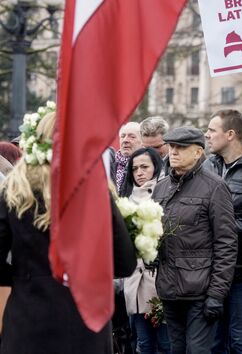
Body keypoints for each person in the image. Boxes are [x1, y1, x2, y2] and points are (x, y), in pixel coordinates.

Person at [0, 111, 137, 353]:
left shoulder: (14, 192)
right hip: (84, 323)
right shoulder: (94, 192)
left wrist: (22, 277)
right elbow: (124, 262)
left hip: (28, 319)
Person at [152, 127, 238, 354]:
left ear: (198, 152)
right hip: (169, 288)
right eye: (171, 147)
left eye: (181, 147)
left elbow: (226, 244)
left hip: (201, 290)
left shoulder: (215, 187)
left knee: (197, 351)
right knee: (176, 349)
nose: (174, 152)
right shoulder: (161, 188)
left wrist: (216, 294)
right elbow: (153, 232)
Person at [203, 110, 242, 354]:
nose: (207, 135)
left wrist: (224, 228)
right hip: (210, 270)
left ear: (231, 134)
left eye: (212, 130)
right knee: (214, 341)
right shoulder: (207, 166)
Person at [120, 147, 170, 354]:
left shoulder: (165, 192)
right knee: (143, 343)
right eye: (135, 168)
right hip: (134, 282)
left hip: (160, 280)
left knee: (165, 343)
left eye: (144, 167)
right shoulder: (125, 199)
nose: (139, 172)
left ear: (155, 167)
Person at [112, 122, 142, 193]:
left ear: (142, 141)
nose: (125, 140)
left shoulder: (147, 165)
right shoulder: (110, 164)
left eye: (132, 137)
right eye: (122, 136)